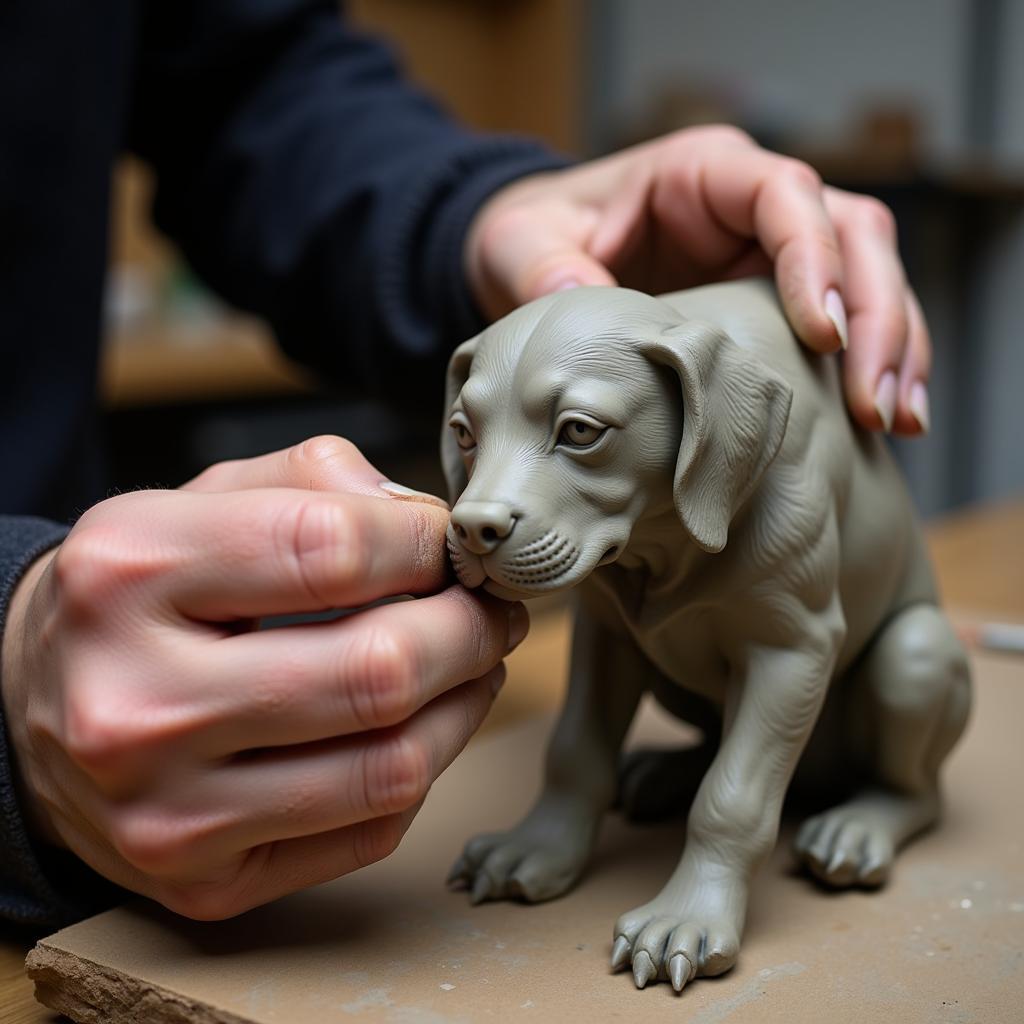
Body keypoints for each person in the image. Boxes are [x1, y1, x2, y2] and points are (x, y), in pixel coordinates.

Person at [0, 1, 931, 932]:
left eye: (577, 433)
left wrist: (475, 216)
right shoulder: (616, 500)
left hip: (862, 692)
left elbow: (253, 76)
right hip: (56, 816)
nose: (482, 507)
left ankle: (900, 795)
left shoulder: (742, 424)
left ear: (705, 428)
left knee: (918, 664)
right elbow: (612, 625)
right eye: (471, 440)